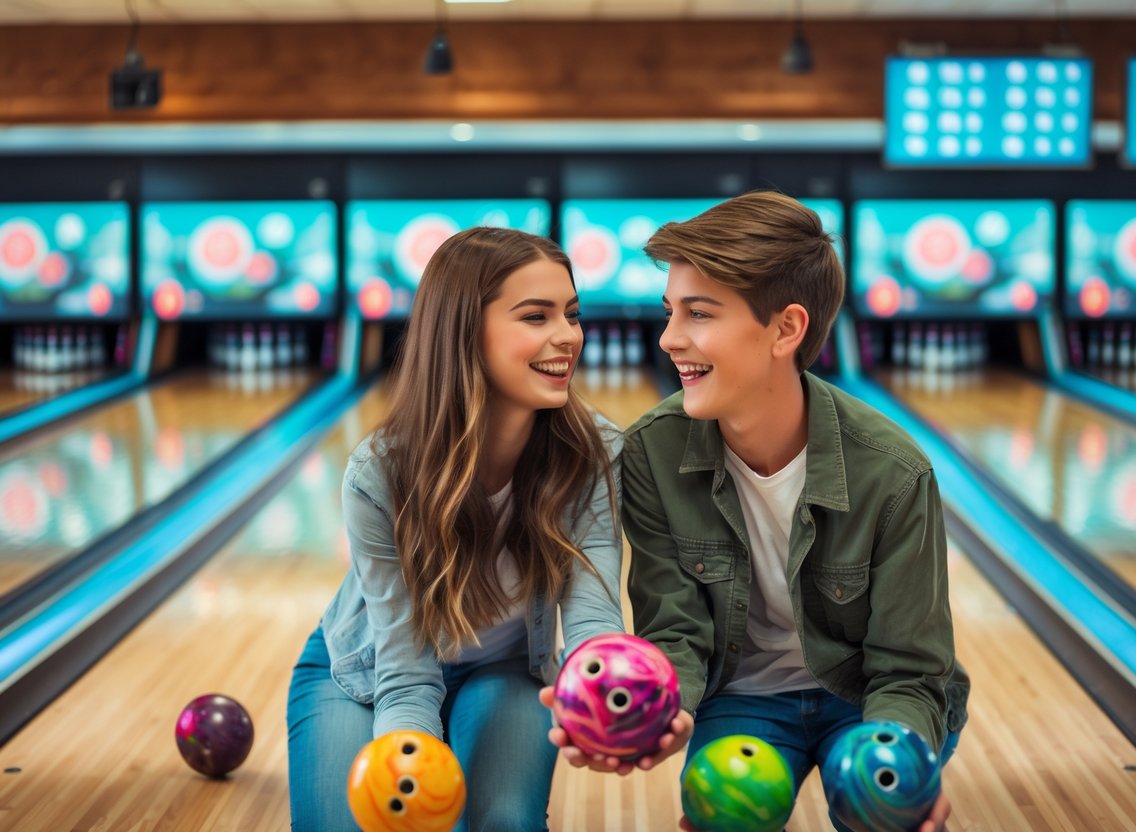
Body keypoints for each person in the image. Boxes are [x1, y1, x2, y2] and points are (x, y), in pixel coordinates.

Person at [549, 191, 969, 832]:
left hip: (862, 694)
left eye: (700, 314)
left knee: (879, 813)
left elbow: (909, 671)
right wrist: (659, 715)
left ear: (786, 329)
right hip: (741, 695)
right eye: (670, 312)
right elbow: (676, 631)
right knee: (719, 818)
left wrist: (898, 764)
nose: (668, 339)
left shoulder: (894, 472)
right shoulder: (651, 454)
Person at [287, 226, 625, 831]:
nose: (567, 336)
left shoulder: (593, 452)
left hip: (504, 670)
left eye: (571, 314)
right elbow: (404, 669)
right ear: (466, 330)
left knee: (502, 823)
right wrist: (410, 773)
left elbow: (594, 616)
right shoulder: (380, 474)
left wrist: (612, 695)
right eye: (535, 316)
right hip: (367, 673)